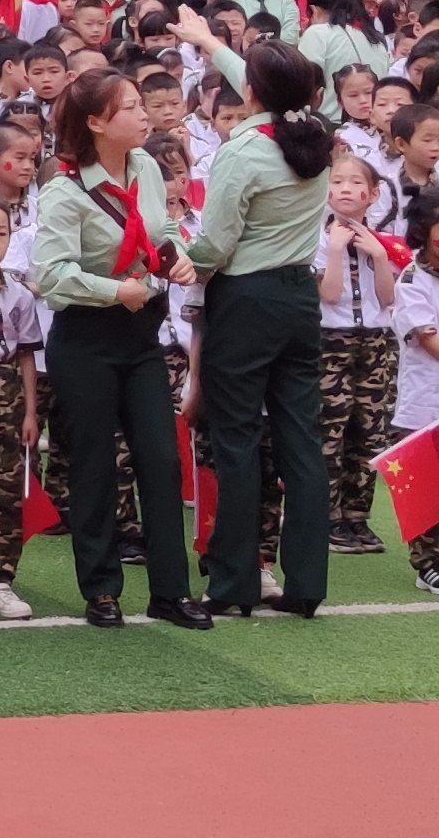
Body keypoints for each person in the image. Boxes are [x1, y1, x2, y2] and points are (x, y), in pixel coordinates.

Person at [25, 78, 196, 628]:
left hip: (141, 334)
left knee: (162, 461)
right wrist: (111, 290)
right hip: (86, 338)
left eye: (143, 105)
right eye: (130, 107)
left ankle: (171, 592)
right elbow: (48, 275)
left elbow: (160, 228)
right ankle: (101, 589)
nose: (143, 115)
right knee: (95, 466)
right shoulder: (64, 190)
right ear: (96, 123)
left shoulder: (145, 166)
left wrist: (178, 255)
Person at [182, 46, 337, 619]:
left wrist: (177, 257)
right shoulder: (316, 135)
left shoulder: (243, 150)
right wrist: (207, 39)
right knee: (301, 439)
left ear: (248, 93)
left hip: (246, 298)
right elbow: (278, 89)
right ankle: (307, 583)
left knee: (238, 441)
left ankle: (233, 584)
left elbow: (215, 245)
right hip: (299, 296)